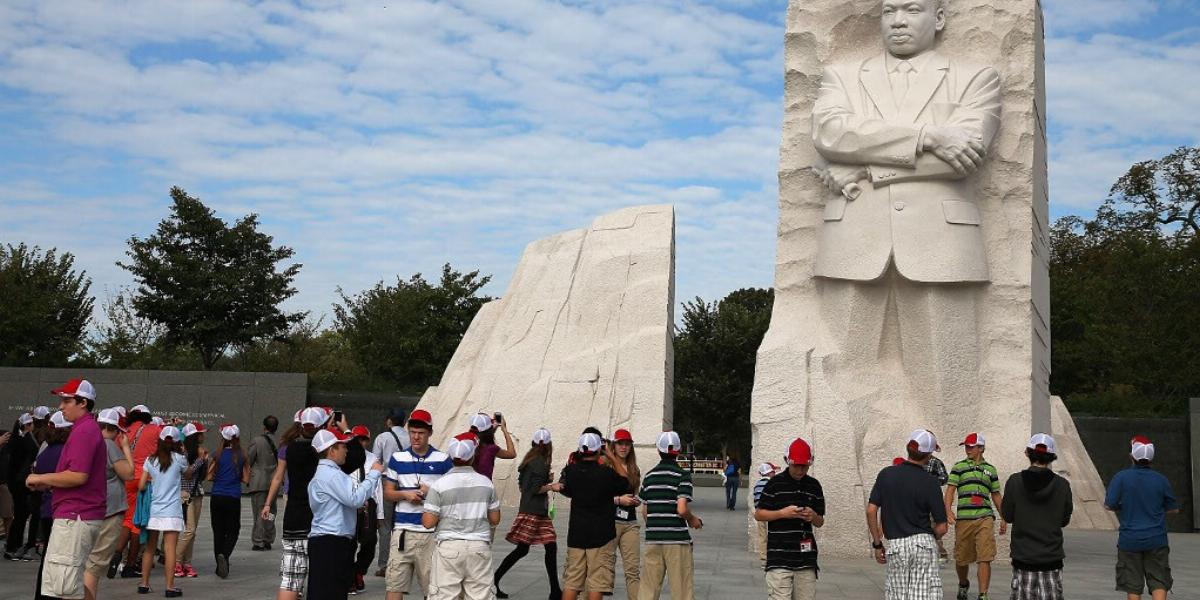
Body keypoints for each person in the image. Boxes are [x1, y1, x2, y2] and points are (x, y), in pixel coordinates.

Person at [25, 380, 107, 600]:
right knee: (69, 584)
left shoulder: (84, 431)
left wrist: (39, 477)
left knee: (63, 588)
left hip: (75, 517)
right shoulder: (85, 429)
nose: (61, 406)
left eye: (66, 400)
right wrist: (50, 482)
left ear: (83, 402)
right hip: (77, 515)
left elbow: (78, 476)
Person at [866, 429, 949, 600]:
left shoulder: (886, 474)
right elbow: (942, 527)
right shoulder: (931, 482)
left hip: (897, 544)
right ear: (928, 455)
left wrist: (877, 544)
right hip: (923, 544)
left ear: (908, 448)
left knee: (897, 595)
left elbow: (871, 510)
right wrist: (930, 536)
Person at [421, 432, 501, 600]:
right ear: (472, 457)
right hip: (479, 547)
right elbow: (495, 519)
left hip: (449, 547)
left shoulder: (439, 485)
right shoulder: (486, 483)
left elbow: (428, 522)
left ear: (451, 457)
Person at [307, 428, 385, 600]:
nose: (346, 450)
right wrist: (373, 474)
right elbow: (355, 499)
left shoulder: (325, 473)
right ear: (332, 450)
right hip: (331, 541)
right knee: (331, 592)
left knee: (324, 591)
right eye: (343, 446)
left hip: (326, 540)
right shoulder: (332, 475)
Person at [383, 409, 452, 600]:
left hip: (430, 534)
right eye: (413, 432)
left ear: (430, 433)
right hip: (402, 532)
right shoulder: (397, 458)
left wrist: (431, 493)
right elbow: (388, 493)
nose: (416, 437)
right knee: (394, 585)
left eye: (421, 433)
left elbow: (451, 497)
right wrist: (405, 494)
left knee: (433, 589)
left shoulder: (443, 460)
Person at [560, 431, 638, 600]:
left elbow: (565, 489)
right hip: (601, 535)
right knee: (597, 582)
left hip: (576, 535)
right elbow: (625, 482)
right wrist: (611, 455)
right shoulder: (606, 474)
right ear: (599, 450)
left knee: (572, 582)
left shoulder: (570, 471)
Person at [1104, 436, 1180, 600]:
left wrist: (1124, 506)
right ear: (1151, 458)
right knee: (1159, 581)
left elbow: (1109, 505)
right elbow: (1173, 509)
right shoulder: (1161, 479)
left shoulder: (1121, 477)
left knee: (1133, 586)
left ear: (1132, 456)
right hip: (1157, 538)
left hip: (1130, 539)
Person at [263, 407, 327, 600]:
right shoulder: (324, 450)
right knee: (320, 574)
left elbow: (277, 478)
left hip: (293, 512)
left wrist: (267, 504)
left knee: (290, 578)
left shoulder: (287, 448)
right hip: (319, 515)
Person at [1001, 433, 1072, 600]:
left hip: (1023, 557)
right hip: (1051, 557)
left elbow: (1008, 515)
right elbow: (1064, 520)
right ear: (1052, 457)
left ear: (1027, 453)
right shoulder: (1062, 485)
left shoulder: (1015, 481)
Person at [494, 428, 562, 599]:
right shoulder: (541, 462)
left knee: (543, 547)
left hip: (532, 510)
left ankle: (555, 590)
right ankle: (494, 581)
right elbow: (535, 488)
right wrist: (551, 486)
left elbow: (523, 485)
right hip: (534, 512)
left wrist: (545, 480)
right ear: (549, 445)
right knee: (533, 549)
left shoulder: (529, 460)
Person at [755, 438, 825, 600]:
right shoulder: (774, 484)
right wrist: (782, 513)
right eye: (796, 466)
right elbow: (759, 514)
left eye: (804, 466)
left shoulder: (814, 485)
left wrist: (812, 516)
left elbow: (820, 521)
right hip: (779, 557)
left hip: (806, 558)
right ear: (788, 461)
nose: (800, 470)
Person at [638, 431, 702, 600]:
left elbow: (644, 511)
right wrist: (693, 520)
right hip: (677, 540)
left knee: (648, 589)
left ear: (658, 450)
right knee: (682, 591)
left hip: (653, 538)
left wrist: (655, 525)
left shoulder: (649, 476)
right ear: (679, 451)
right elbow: (681, 509)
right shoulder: (682, 475)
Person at [945, 432, 1005, 600]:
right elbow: (950, 490)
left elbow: (996, 495)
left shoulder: (990, 469)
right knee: (961, 559)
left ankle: (983, 594)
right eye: (966, 446)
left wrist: (1004, 517)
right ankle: (963, 583)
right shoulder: (959, 466)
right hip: (964, 518)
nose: (967, 449)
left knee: (985, 556)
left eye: (971, 446)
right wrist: (948, 510)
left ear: (981, 448)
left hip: (985, 517)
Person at [138, 426, 192, 597]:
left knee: (149, 549)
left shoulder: (150, 460)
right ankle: (169, 587)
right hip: (172, 510)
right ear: (177, 442)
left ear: (160, 441)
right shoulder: (179, 459)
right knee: (170, 550)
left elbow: (141, 485)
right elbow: (189, 474)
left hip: (154, 510)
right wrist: (184, 453)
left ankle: (144, 584)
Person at [84, 408, 133, 597]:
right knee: (94, 566)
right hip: (109, 509)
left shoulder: (89, 442)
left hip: (90, 507)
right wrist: (126, 448)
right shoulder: (109, 445)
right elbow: (128, 473)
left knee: (87, 560)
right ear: (115, 429)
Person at [113, 404, 163, 578]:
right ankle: (130, 565)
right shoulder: (154, 430)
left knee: (127, 519)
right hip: (145, 480)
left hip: (126, 477)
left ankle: (117, 552)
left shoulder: (123, 431)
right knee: (138, 523)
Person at [372, 408, 411, 577]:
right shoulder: (411, 437)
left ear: (389, 421)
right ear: (404, 422)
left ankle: (384, 565)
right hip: (406, 484)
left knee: (385, 525)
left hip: (386, 481)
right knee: (403, 524)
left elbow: (375, 462)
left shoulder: (382, 437)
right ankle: (403, 563)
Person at [604, 428, 642, 600]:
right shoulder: (605, 466)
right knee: (604, 568)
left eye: (627, 444)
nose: (624, 447)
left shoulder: (634, 468)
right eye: (620, 443)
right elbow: (597, 497)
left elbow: (634, 490)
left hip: (630, 523)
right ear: (613, 445)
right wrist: (618, 500)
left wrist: (635, 500)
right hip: (610, 522)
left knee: (633, 570)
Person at [207, 424, 249, 579]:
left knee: (218, 530)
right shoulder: (242, 455)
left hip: (217, 495)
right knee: (233, 530)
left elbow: (209, 476)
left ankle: (219, 565)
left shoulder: (216, 453)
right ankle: (224, 554)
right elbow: (246, 478)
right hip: (233, 496)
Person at [349, 425, 384, 595]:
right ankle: (350, 579)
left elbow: (378, 489)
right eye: (358, 439)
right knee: (349, 541)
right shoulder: (346, 457)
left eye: (364, 439)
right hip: (350, 500)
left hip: (369, 503)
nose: (361, 442)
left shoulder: (373, 458)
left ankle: (358, 570)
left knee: (370, 541)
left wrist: (380, 514)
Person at [172, 423, 209, 580]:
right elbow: (187, 474)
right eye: (201, 433)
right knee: (189, 530)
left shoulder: (198, 452)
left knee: (192, 533)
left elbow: (202, 476)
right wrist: (201, 460)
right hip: (185, 494)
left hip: (197, 493)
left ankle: (187, 563)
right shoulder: (182, 452)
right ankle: (176, 561)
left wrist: (204, 460)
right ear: (195, 436)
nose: (203, 436)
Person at [5, 412, 39, 562]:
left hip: (15, 481)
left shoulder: (15, 439)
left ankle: (12, 545)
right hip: (22, 482)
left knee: (19, 514)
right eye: (31, 423)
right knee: (21, 514)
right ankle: (13, 546)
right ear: (27, 425)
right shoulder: (26, 441)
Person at [248, 415, 280, 552]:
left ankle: (258, 541)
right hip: (274, 481)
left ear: (264, 426)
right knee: (271, 511)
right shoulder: (280, 442)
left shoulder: (257, 441)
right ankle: (268, 538)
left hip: (259, 482)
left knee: (260, 511)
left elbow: (249, 459)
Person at [923, 434, 950, 563]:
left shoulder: (936, 462)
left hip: (931, 499)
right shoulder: (914, 464)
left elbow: (945, 478)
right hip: (918, 500)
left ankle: (940, 552)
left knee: (935, 525)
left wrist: (932, 481)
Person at [468, 412, 516, 480]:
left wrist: (492, 428)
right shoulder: (491, 449)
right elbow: (512, 454)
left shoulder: (466, 442)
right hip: (484, 486)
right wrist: (504, 430)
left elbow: (482, 434)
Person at [751, 462, 779, 565]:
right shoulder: (771, 484)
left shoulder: (757, 484)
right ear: (769, 473)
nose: (774, 473)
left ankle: (763, 556)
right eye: (773, 471)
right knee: (772, 533)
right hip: (770, 513)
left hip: (759, 513)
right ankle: (773, 555)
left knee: (762, 535)